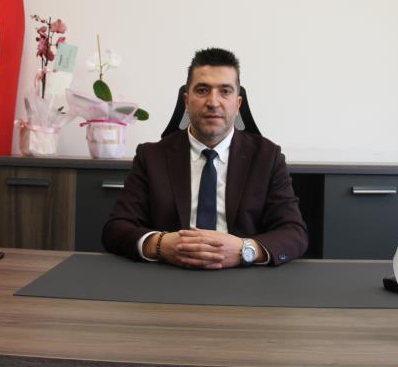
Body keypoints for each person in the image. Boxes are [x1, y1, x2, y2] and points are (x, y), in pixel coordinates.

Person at [102, 47, 308, 268]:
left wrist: (244, 250)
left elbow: (294, 233)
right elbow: (116, 228)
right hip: (169, 274)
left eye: (225, 91)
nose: (213, 102)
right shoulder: (151, 157)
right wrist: (161, 244)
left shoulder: (267, 157)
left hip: (242, 277)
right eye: (202, 90)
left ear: (238, 104)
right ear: (186, 101)